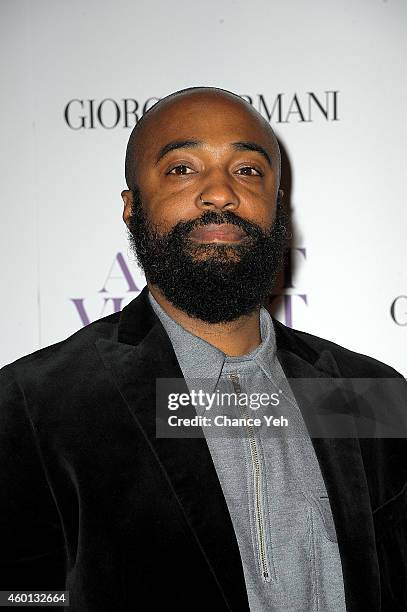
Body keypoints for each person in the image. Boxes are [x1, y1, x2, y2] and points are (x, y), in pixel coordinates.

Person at [1, 86, 406, 612]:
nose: (221, 193)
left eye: (248, 170)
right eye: (182, 169)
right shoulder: (35, 405)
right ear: (131, 207)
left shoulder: (368, 394)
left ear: (277, 207)